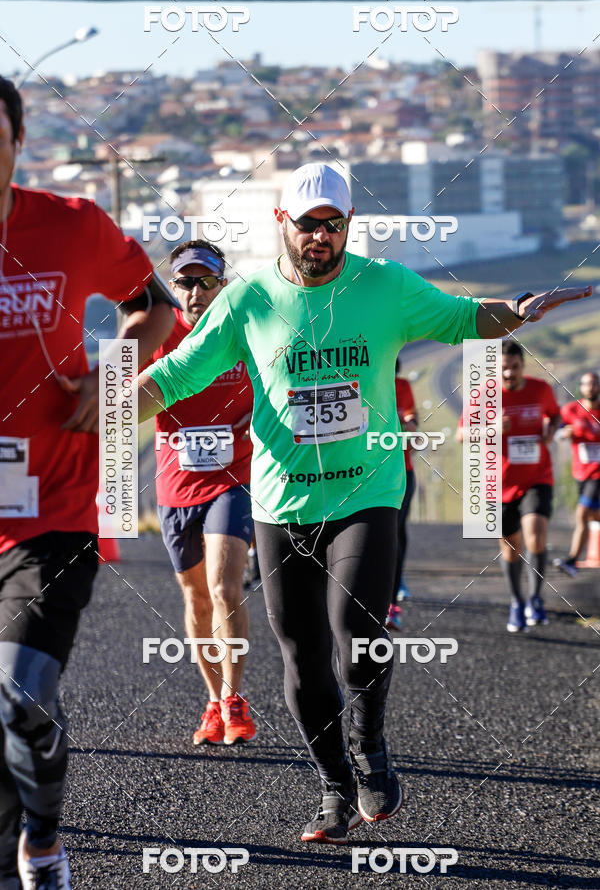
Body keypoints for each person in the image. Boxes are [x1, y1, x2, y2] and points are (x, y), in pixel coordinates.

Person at [136, 162, 591, 844]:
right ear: (280, 222)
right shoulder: (249, 300)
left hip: (366, 490)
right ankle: (332, 786)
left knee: (357, 638)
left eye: (335, 224)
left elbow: (466, 317)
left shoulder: (383, 285)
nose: (321, 236)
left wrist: (517, 311)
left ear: (348, 226)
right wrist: (100, 405)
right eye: (308, 223)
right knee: (301, 654)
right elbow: (177, 372)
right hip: (282, 502)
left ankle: (369, 743)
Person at [0, 77, 175, 890]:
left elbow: (156, 308)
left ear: (20, 134)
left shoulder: (72, 225)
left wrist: (109, 386)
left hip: (55, 507)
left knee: (18, 691)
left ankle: (42, 836)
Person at [149, 239, 256, 746]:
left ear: (222, 284)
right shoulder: (156, 336)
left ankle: (235, 699)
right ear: (174, 289)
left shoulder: (243, 332)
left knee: (224, 587)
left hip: (233, 479)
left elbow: (278, 385)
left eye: (206, 281)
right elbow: (120, 399)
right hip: (175, 484)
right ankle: (213, 702)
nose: (196, 292)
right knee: (195, 598)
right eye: (186, 282)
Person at [457, 340, 561, 632]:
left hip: (537, 478)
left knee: (536, 534)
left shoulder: (541, 390)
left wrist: (552, 429)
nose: (508, 374)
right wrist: (491, 429)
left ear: (522, 366)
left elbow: (555, 414)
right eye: (503, 368)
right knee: (511, 548)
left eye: (514, 367)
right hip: (498, 484)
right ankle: (517, 602)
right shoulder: (482, 396)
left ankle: (536, 599)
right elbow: (461, 435)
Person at [554, 371, 600, 576]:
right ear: (581, 388)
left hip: (597, 475)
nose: (591, 388)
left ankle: (572, 560)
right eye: (586, 384)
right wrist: (563, 434)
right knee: (592, 516)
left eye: (594, 384)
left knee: (582, 513)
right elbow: (555, 434)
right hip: (580, 474)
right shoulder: (571, 410)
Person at [391, 357, 419, 615]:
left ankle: (395, 584)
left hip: (402, 471)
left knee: (397, 528)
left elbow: (413, 421)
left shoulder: (403, 387)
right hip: (368, 472)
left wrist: (405, 422)